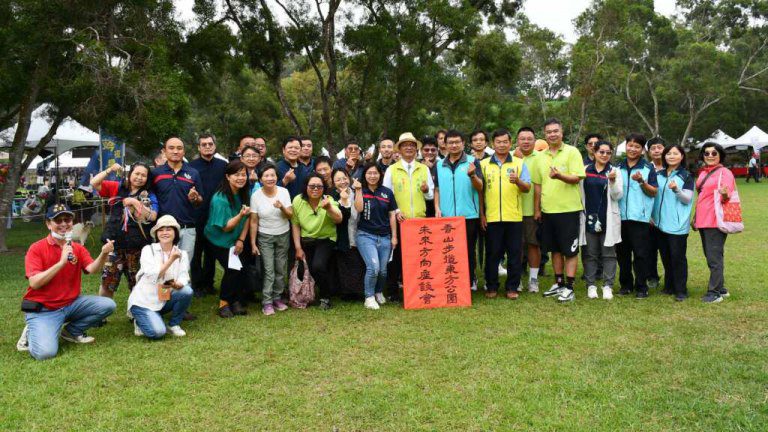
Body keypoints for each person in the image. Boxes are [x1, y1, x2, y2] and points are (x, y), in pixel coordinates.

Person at [17, 203, 116, 360]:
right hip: (45, 309)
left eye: (67, 219)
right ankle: (32, 329)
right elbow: (34, 283)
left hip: (70, 304)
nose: (64, 224)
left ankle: (71, 331)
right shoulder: (36, 248)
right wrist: (61, 262)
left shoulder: (77, 248)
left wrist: (103, 254)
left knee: (108, 305)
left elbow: (91, 269)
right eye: (58, 220)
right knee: (45, 353)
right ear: (48, 224)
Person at [534, 118, 586, 303]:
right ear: (545, 135)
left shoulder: (572, 152)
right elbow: (538, 185)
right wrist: (537, 209)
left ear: (561, 133)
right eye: (548, 132)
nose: (552, 134)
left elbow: (577, 178)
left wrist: (559, 176)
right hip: (548, 211)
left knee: (570, 250)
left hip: (569, 209)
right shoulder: (540, 156)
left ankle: (570, 287)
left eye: (555, 131)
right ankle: (558, 283)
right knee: (554, 249)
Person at [91, 162, 157, 298]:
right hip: (114, 244)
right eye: (136, 173)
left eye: (143, 175)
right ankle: (102, 313)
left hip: (137, 246)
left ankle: (136, 314)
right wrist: (109, 169)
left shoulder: (149, 195)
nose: (139, 177)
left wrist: (135, 202)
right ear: (130, 174)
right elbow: (94, 183)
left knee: (137, 282)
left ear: (147, 178)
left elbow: (152, 216)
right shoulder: (117, 187)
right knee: (107, 280)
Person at [383, 132, 435, 300]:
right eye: (405, 145)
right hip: (399, 219)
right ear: (400, 149)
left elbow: (430, 196)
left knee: (418, 256)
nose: (409, 148)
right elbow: (386, 195)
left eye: (412, 145)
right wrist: (397, 211)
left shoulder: (424, 168)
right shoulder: (392, 169)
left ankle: (416, 289)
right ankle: (393, 292)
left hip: (419, 220)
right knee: (396, 257)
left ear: (416, 149)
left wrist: (427, 191)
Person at [480, 128, 531, 299]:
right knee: (493, 253)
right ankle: (492, 286)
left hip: (514, 217)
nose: (502, 145)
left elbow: (527, 188)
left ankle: (512, 287)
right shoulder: (484, 164)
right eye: (498, 142)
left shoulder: (519, 163)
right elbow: (480, 192)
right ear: (493, 144)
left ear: (510, 143)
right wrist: (482, 214)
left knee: (514, 254)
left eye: (505, 142)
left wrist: (518, 181)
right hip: (492, 216)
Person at [128, 215, 194, 338]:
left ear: (175, 232)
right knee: (158, 332)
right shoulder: (148, 250)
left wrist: (178, 284)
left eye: (169, 229)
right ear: (156, 234)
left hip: (163, 297)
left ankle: (174, 324)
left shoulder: (182, 254)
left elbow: (184, 276)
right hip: (144, 301)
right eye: (161, 230)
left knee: (187, 291)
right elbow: (153, 275)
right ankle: (140, 320)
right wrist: (171, 259)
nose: (164, 233)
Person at [436, 130, 483, 291]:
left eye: (457, 142)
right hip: (447, 216)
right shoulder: (439, 164)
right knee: (450, 250)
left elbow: (480, 187)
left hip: (468, 215)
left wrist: (472, 176)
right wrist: (437, 207)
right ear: (445, 144)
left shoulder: (473, 161)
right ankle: (453, 280)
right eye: (450, 142)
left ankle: (471, 280)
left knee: (469, 250)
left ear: (463, 143)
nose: (454, 145)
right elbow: (436, 189)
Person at [205, 160, 251, 318]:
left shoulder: (245, 192)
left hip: (235, 238)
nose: (241, 178)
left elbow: (248, 219)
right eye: (236, 175)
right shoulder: (220, 199)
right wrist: (240, 215)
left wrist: (241, 240)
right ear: (227, 176)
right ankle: (224, 302)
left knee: (240, 268)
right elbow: (226, 227)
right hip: (218, 240)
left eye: (243, 174)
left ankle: (236, 300)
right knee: (232, 269)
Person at [615, 133, 658, 299]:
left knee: (640, 254)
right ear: (626, 146)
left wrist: (642, 182)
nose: (632, 149)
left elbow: (653, 192)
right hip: (620, 217)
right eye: (630, 145)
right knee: (622, 254)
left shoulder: (648, 168)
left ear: (642, 150)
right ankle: (626, 285)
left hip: (639, 219)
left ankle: (641, 287)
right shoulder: (617, 168)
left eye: (637, 146)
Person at [291, 173, 343, 310]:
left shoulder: (328, 200)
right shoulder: (298, 200)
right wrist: (298, 247)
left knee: (318, 266)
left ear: (324, 188)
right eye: (312, 186)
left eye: (319, 186)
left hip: (325, 239)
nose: (315, 189)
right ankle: (307, 295)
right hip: (306, 240)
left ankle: (325, 297)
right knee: (302, 270)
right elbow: (295, 224)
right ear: (306, 187)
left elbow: (339, 219)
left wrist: (329, 208)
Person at [151, 136, 204, 267]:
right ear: (164, 151)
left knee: (183, 268)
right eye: (171, 148)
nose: (176, 151)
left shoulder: (193, 173)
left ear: (184, 152)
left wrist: (195, 197)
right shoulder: (156, 173)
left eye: (179, 148)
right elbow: (151, 199)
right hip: (164, 229)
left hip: (187, 229)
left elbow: (200, 201)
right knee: (162, 267)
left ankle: (182, 288)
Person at [580, 141, 623, 300]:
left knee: (609, 254)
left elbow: (617, 195)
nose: (604, 155)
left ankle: (608, 286)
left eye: (608, 153)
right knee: (590, 253)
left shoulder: (615, 171)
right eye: (601, 152)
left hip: (608, 218)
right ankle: (591, 285)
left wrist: (611, 182)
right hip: (588, 218)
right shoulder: (585, 170)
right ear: (594, 152)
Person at [250, 164, 293, 316]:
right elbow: (254, 221)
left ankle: (277, 298)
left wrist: (281, 207)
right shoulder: (256, 196)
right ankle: (267, 302)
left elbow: (290, 215)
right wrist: (253, 242)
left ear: (277, 177)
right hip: (265, 236)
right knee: (269, 269)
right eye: (266, 176)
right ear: (261, 179)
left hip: (283, 234)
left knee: (281, 268)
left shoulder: (284, 192)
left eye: (273, 175)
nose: (270, 178)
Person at [694, 143, 735, 303]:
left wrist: (725, 195)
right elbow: (702, 196)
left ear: (720, 155)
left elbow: (727, 195)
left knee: (714, 257)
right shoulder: (703, 172)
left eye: (714, 153)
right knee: (711, 255)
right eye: (706, 153)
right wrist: (696, 217)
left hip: (715, 220)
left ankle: (714, 293)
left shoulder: (725, 172)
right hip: (703, 220)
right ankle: (721, 288)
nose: (710, 156)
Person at [652, 144, 694, 302]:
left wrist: (677, 189)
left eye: (675, 153)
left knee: (678, 258)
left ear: (682, 156)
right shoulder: (659, 174)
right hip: (660, 224)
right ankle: (669, 286)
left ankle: (681, 290)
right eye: (668, 153)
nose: (671, 156)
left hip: (677, 225)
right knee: (666, 257)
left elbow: (687, 199)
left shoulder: (686, 176)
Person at [354, 163, 398, 310]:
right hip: (365, 235)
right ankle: (369, 297)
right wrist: (359, 190)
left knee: (383, 270)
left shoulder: (387, 192)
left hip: (385, 235)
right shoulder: (361, 190)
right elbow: (359, 208)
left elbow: (392, 215)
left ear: (380, 175)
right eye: (369, 173)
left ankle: (379, 292)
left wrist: (394, 236)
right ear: (365, 175)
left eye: (375, 173)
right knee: (373, 268)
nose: (372, 176)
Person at [189, 133, 227, 297]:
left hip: (216, 215)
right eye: (203, 144)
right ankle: (197, 285)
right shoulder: (191, 167)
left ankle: (208, 283)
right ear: (199, 147)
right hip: (197, 214)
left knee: (211, 252)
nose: (207, 147)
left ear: (214, 146)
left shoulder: (223, 165)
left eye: (210, 144)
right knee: (196, 252)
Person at [329, 168, 366, 297]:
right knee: (344, 262)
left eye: (344, 178)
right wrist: (343, 200)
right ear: (333, 182)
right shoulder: (331, 195)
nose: (342, 181)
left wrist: (358, 190)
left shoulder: (355, 191)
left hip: (357, 230)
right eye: (338, 179)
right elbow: (341, 217)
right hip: (342, 233)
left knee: (357, 262)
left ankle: (357, 290)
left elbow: (359, 209)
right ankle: (346, 291)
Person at [516, 127, 543, 292]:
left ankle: (533, 280)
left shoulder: (541, 158)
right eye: (522, 139)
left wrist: (537, 209)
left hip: (532, 210)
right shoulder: (510, 157)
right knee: (516, 247)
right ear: (517, 141)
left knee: (533, 245)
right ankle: (516, 278)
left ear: (535, 140)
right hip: (513, 210)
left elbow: (540, 185)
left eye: (529, 139)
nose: (526, 141)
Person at [645, 136, 666, 290]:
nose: (657, 150)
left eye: (660, 147)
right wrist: (647, 215)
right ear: (649, 152)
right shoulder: (646, 169)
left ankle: (671, 277)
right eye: (653, 148)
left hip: (668, 218)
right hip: (649, 218)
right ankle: (652, 276)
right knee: (649, 250)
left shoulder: (672, 168)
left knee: (668, 250)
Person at [420, 137, 440, 217]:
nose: (430, 152)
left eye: (433, 150)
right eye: (426, 150)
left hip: (439, 207)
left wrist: (431, 168)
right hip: (421, 206)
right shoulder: (416, 165)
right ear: (421, 151)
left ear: (437, 151)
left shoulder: (442, 165)